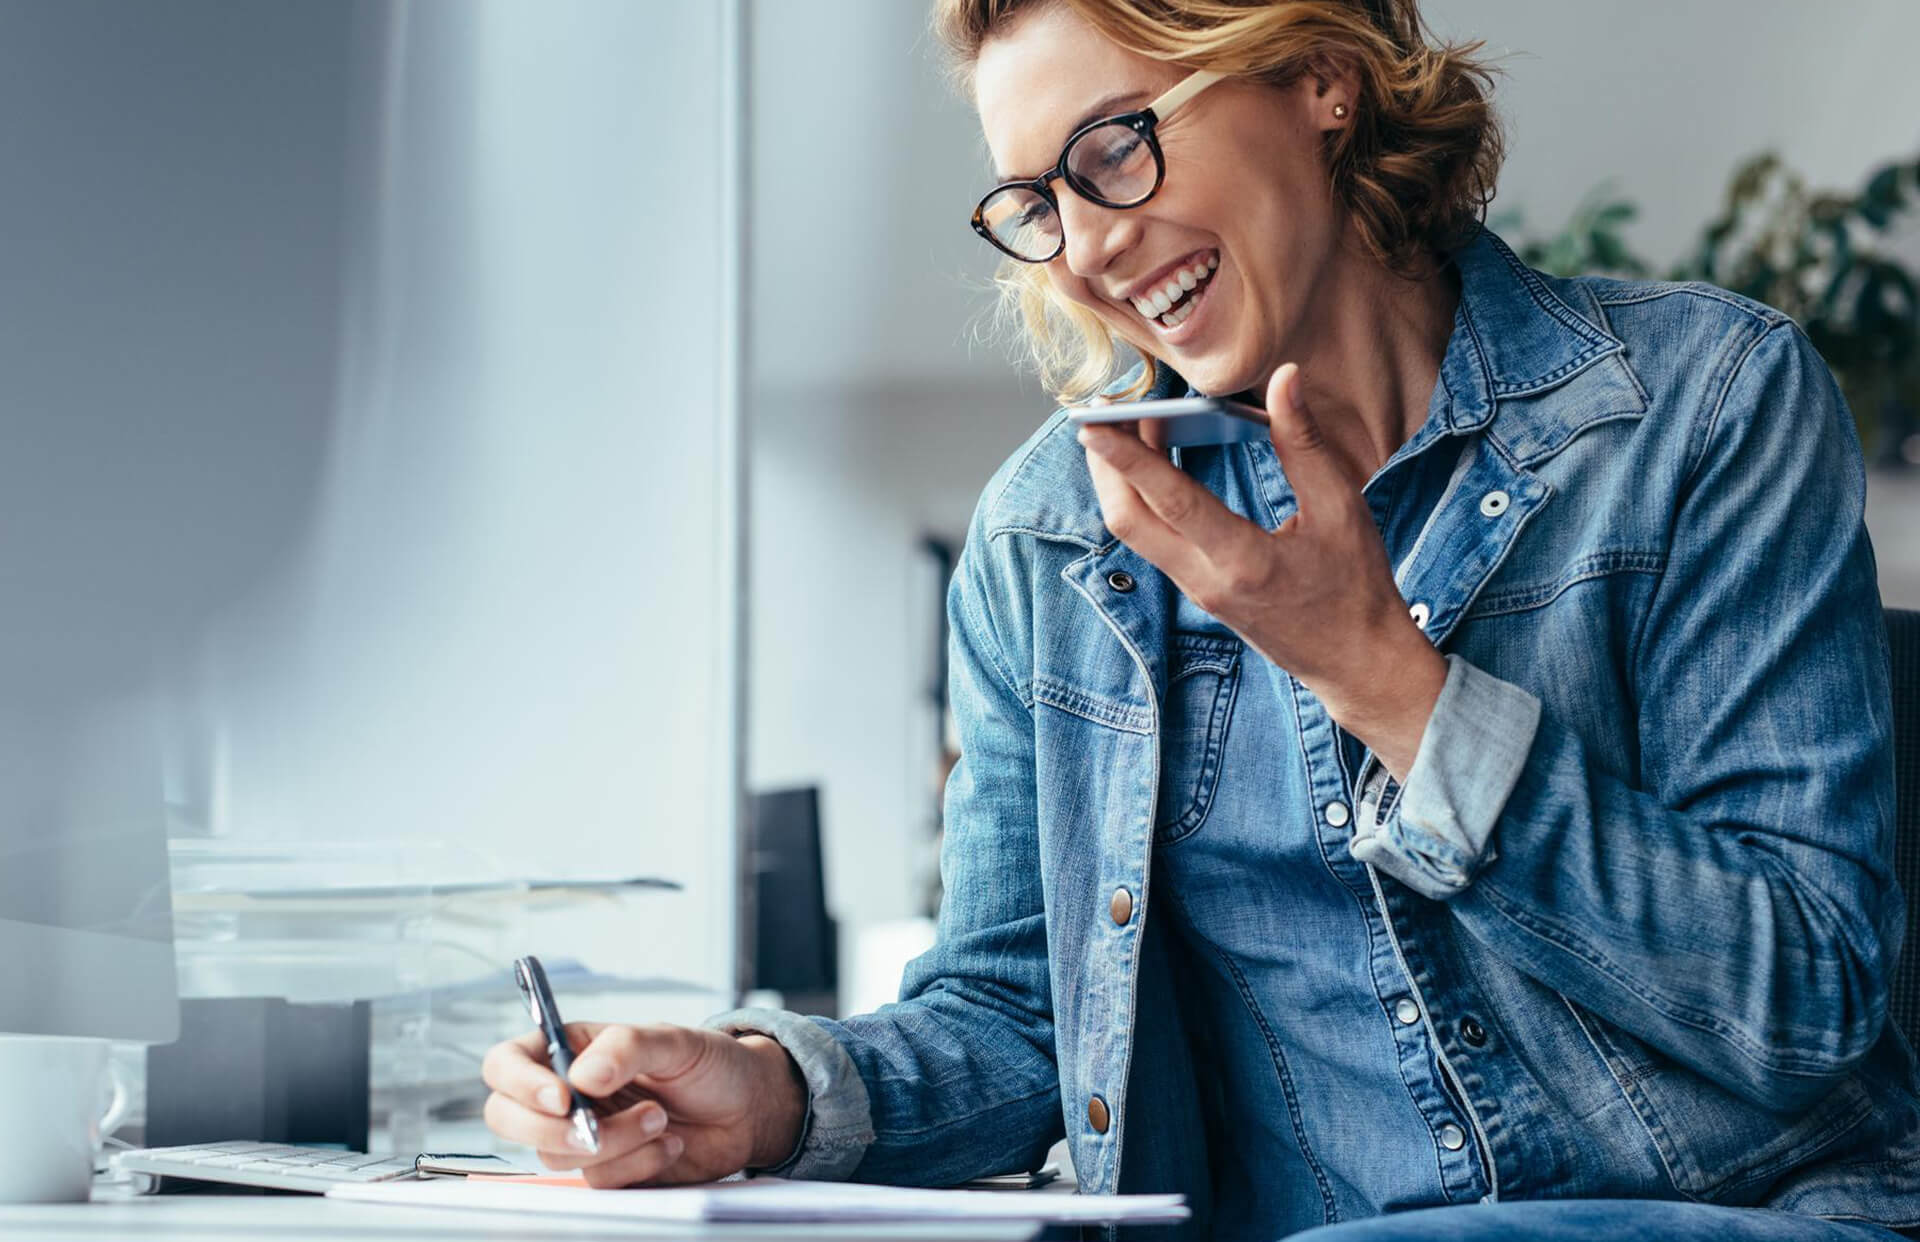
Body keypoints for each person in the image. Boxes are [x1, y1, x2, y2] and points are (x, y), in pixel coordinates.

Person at [480, 1, 1920, 1237]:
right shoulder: (1052, 538)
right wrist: (770, 1091)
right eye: (1040, 201)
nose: (1088, 249)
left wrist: (1386, 680)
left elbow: (1802, 1000)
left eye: (1116, 146)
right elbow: (1018, 1020)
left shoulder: (1700, 410)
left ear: (1315, 75)